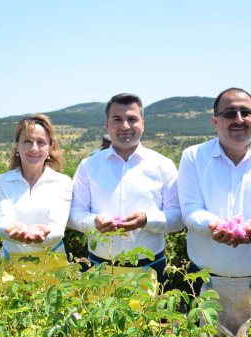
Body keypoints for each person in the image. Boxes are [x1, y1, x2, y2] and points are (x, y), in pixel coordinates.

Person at [178, 87, 251, 330]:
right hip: (204, 283)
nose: (238, 119)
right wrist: (214, 226)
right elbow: (190, 209)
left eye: (245, 112)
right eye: (230, 113)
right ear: (215, 121)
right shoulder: (193, 157)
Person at [68, 93, 183, 287]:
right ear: (106, 125)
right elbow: (73, 215)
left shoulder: (163, 165)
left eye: (132, 119)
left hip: (150, 270)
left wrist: (147, 220)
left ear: (143, 124)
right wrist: (93, 222)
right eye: (117, 120)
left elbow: (178, 218)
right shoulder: (88, 165)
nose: (125, 126)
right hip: (99, 270)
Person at [0, 114, 71, 281]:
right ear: (17, 145)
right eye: (27, 141)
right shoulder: (0, 182)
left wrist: (39, 236)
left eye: (41, 142)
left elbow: (57, 228)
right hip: (11, 271)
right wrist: (16, 231)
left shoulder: (62, 182)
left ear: (50, 146)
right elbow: (2, 224)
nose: (34, 148)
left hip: (53, 268)